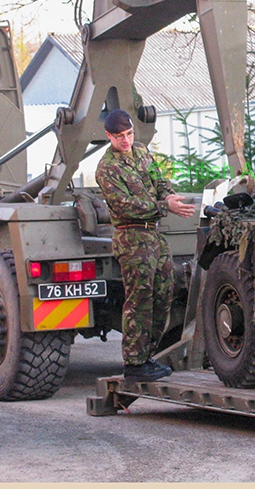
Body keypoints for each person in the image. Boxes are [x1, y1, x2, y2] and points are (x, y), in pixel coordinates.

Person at [95, 109, 196, 383]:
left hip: (155, 236)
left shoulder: (140, 152)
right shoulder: (107, 168)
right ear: (109, 137)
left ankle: (148, 356)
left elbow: (159, 180)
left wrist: (169, 195)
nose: (125, 140)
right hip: (132, 238)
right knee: (139, 300)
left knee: (164, 295)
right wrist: (165, 206)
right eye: (119, 136)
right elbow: (126, 206)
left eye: (128, 134)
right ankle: (134, 362)